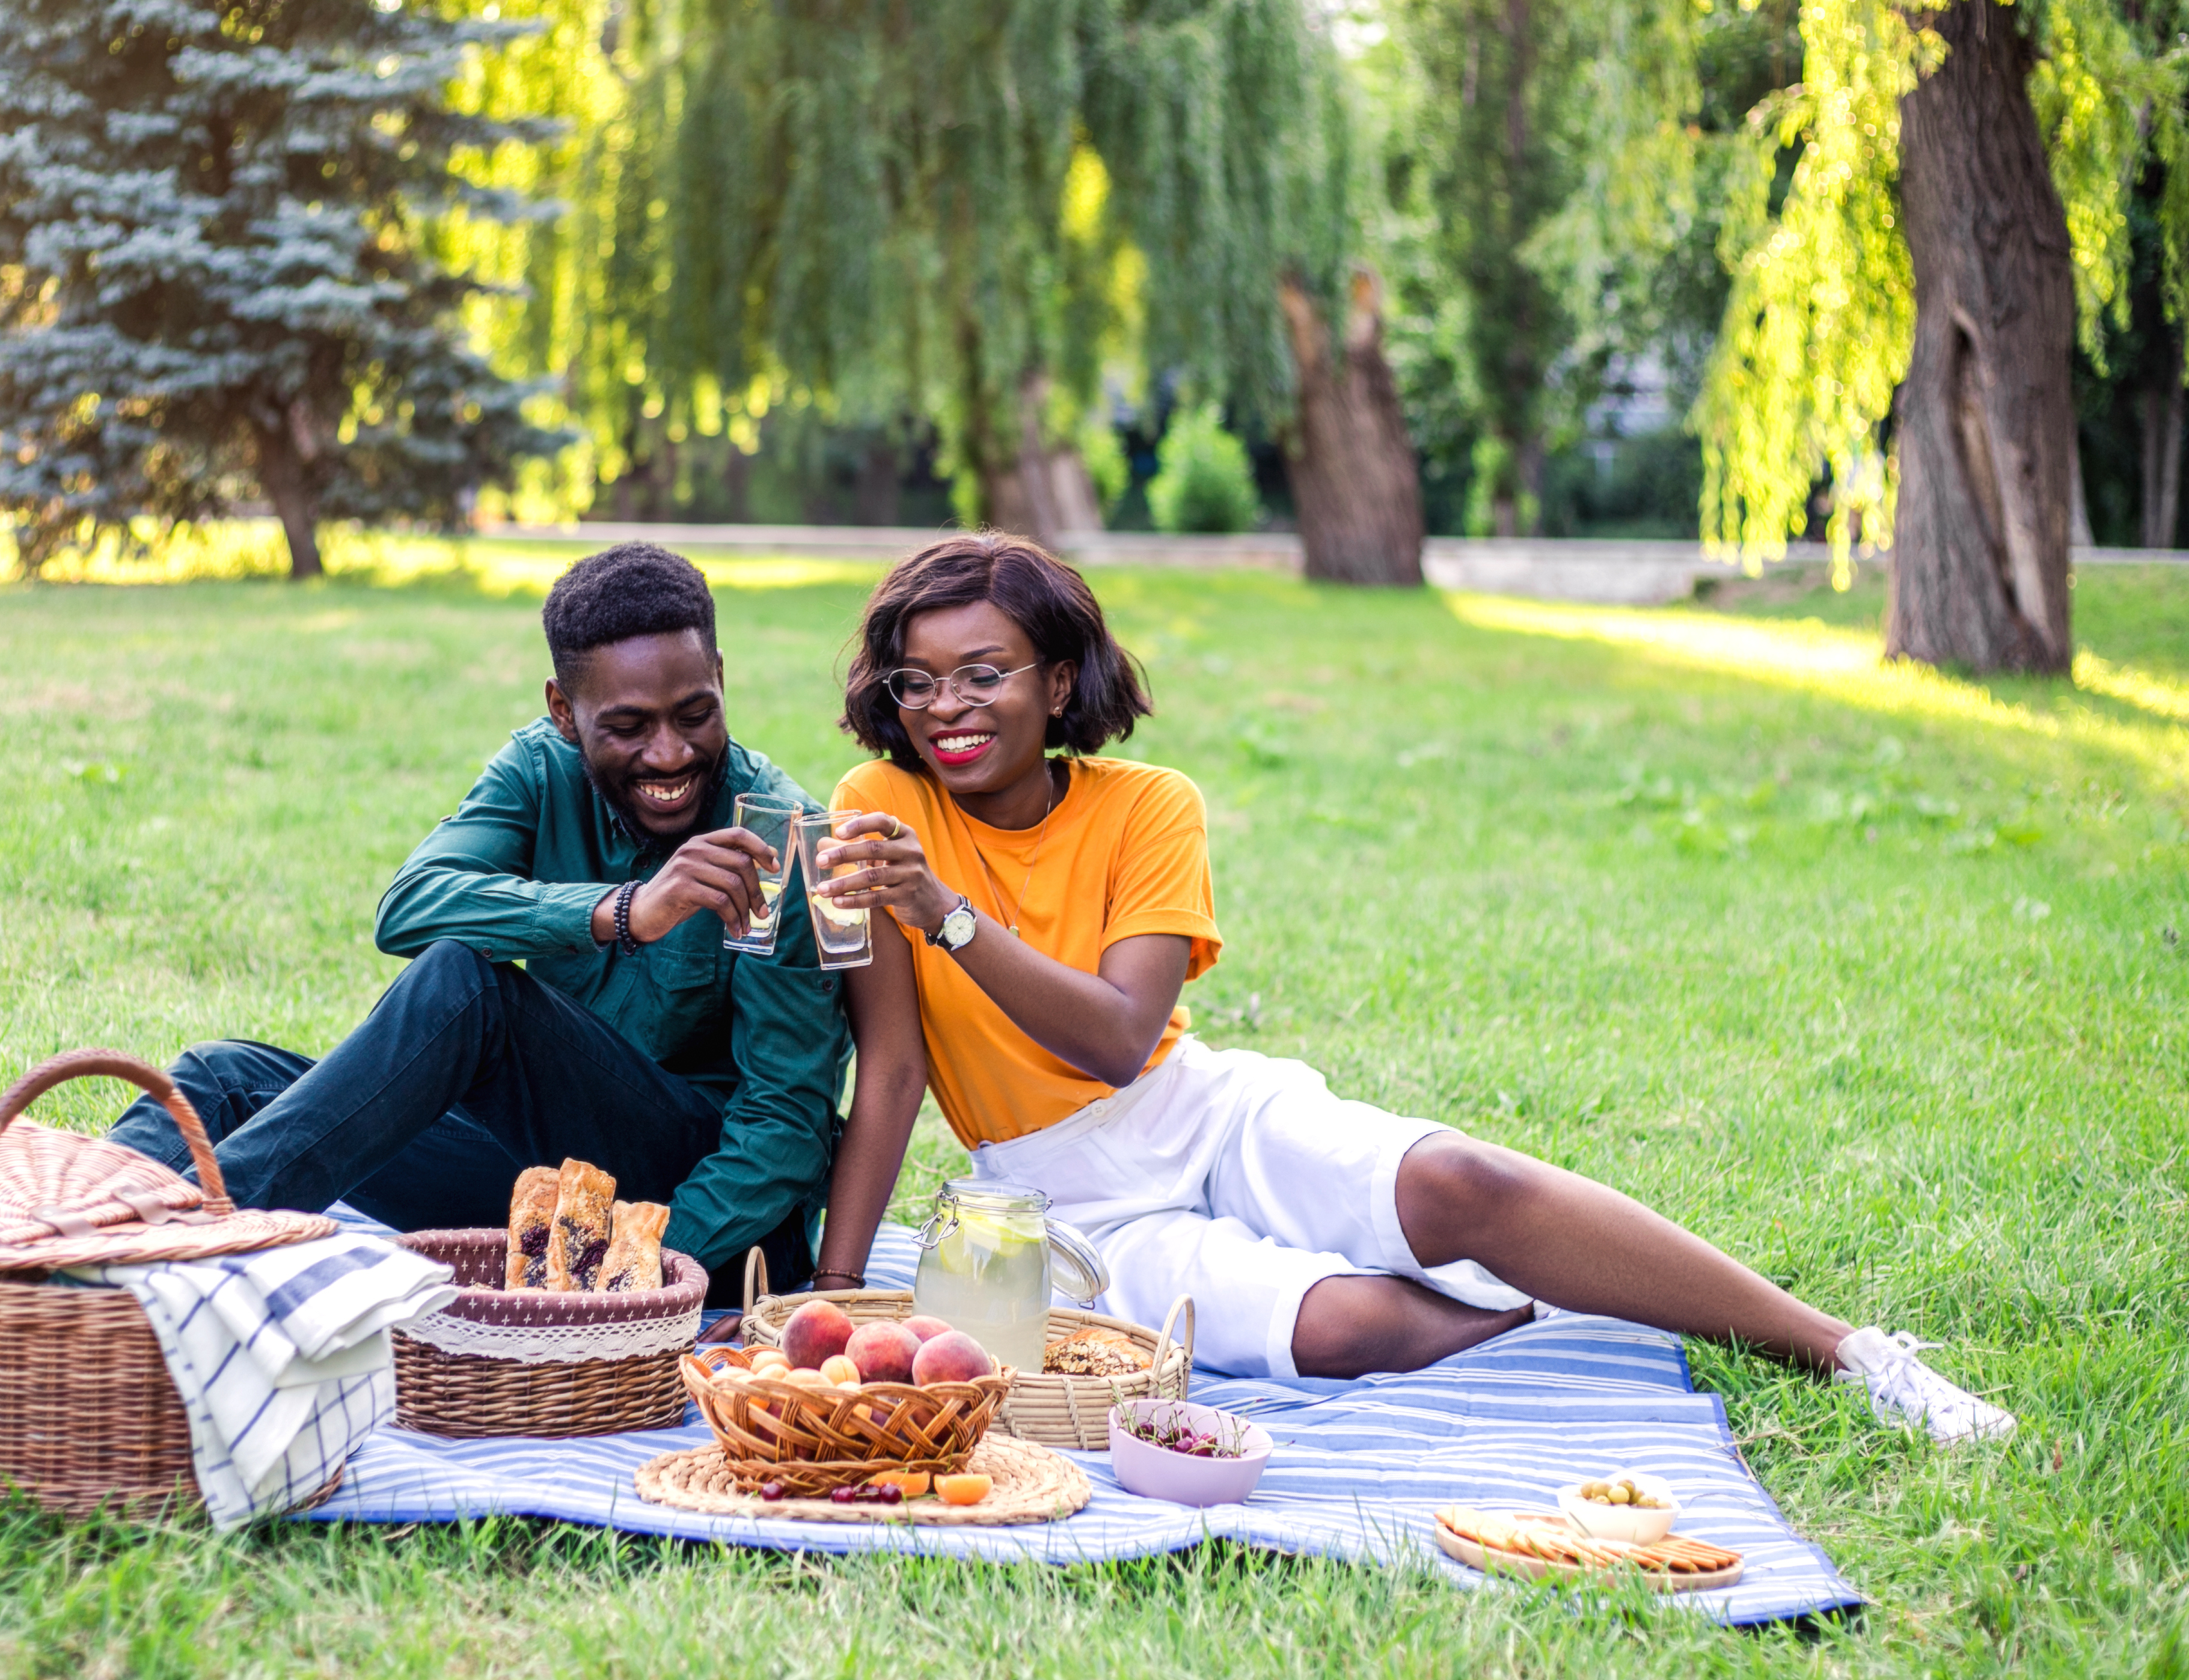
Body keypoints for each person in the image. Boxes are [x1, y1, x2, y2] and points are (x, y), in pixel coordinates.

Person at [808, 533, 2016, 1444]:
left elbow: (1124, 1038)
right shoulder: (880, 807)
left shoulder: (1148, 805)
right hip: (1062, 1195)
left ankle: (1849, 1351)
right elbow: (897, 1067)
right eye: (917, 685)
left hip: (1194, 1105)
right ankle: (1555, 1313)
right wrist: (826, 1299)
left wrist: (948, 914)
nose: (947, 710)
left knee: (1462, 1180)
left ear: (1059, 683)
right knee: (1346, 1331)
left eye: (983, 673)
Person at [105, 542, 849, 1302]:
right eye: (628, 726)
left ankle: (196, 1241)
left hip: (703, 1221)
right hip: (554, 1189)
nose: (669, 753)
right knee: (218, 1082)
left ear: (721, 679)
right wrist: (620, 912)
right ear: (563, 711)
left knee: (468, 986)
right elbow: (412, 905)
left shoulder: (782, 839)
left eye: (695, 714)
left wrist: (630, 1271)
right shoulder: (538, 769)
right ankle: (51, 1252)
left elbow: (785, 1128)